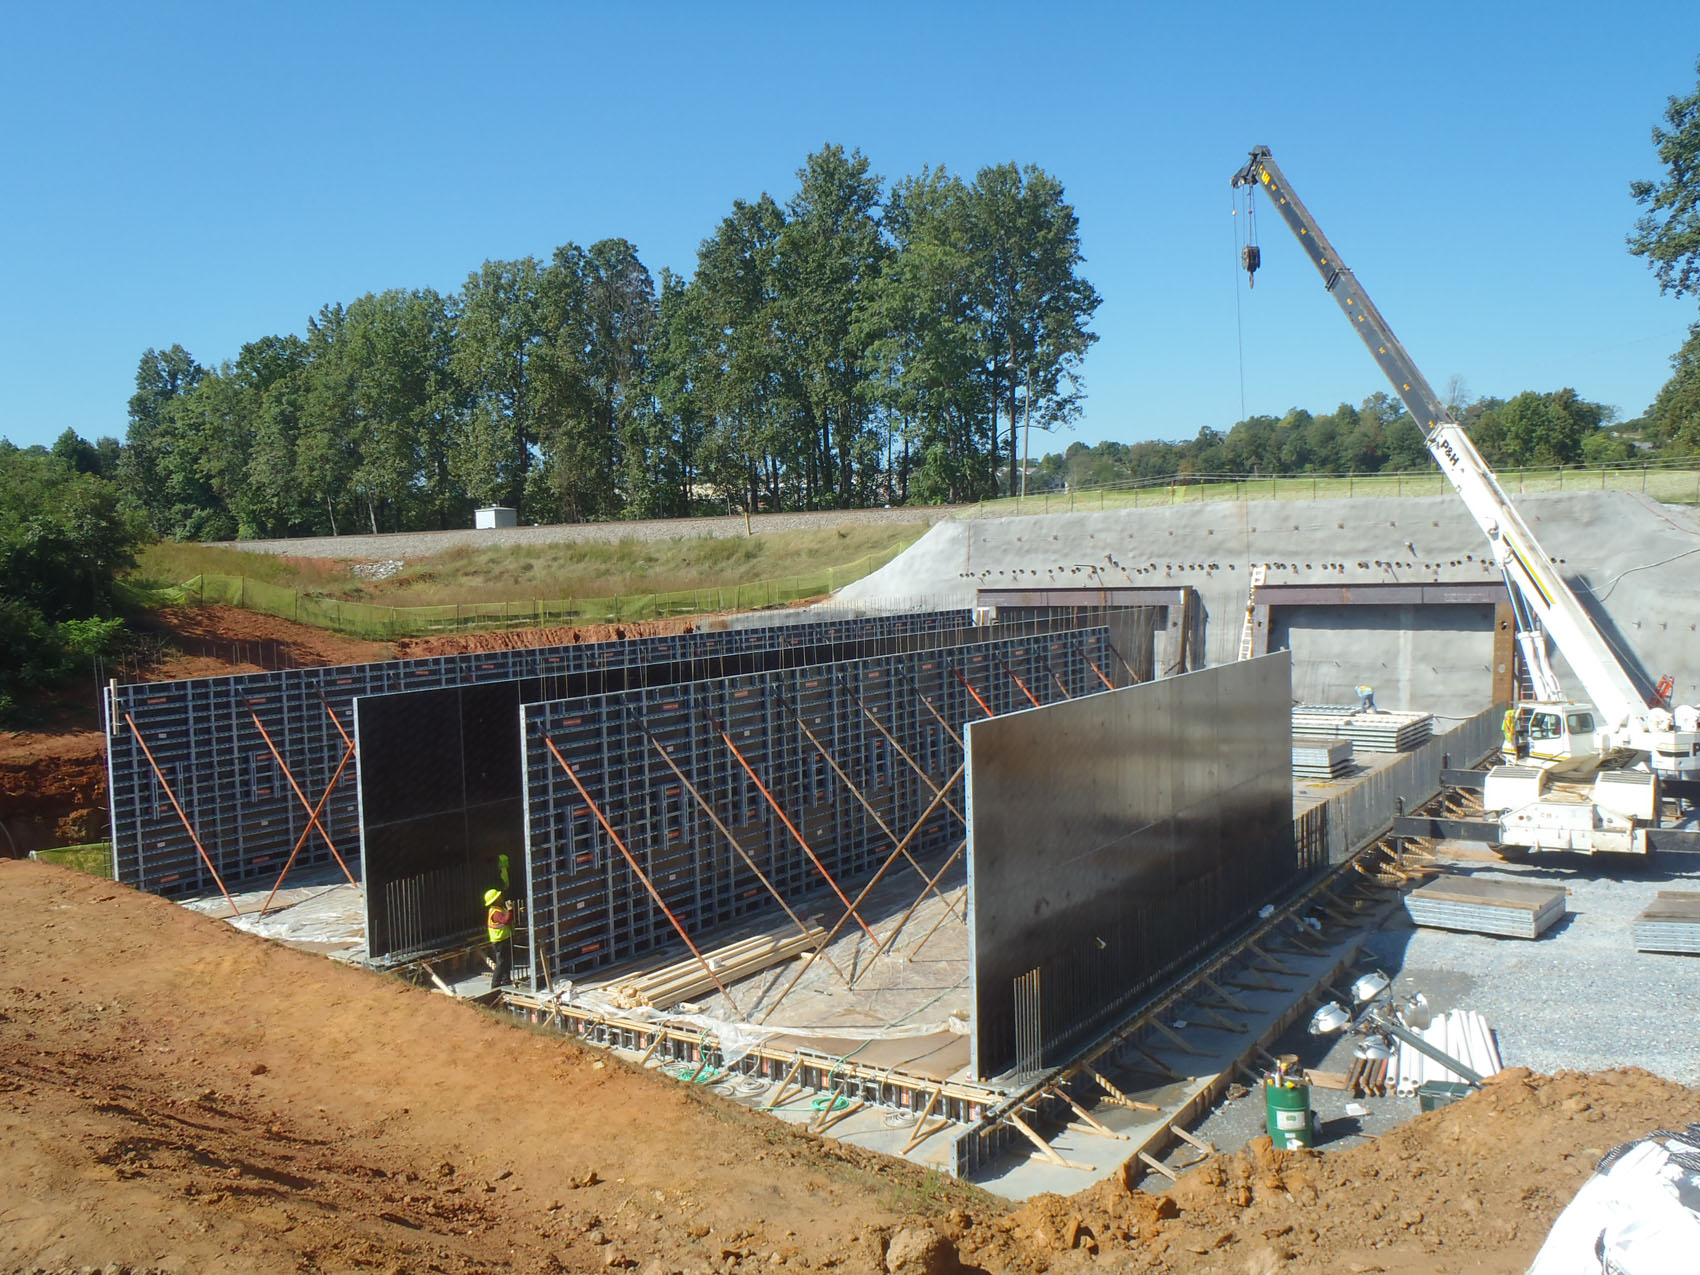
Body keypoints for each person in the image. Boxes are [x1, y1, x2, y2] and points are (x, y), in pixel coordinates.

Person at [484, 853, 515, 991]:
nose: (501, 897)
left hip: (503, 938)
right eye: (499, 897)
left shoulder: (498, 909)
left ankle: (506, 980)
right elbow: (506, 920)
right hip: (499, 941)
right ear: (495, 900)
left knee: (506, 960)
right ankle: (495, 983)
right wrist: (510, 910)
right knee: (501, 962)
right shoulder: (496, 912)